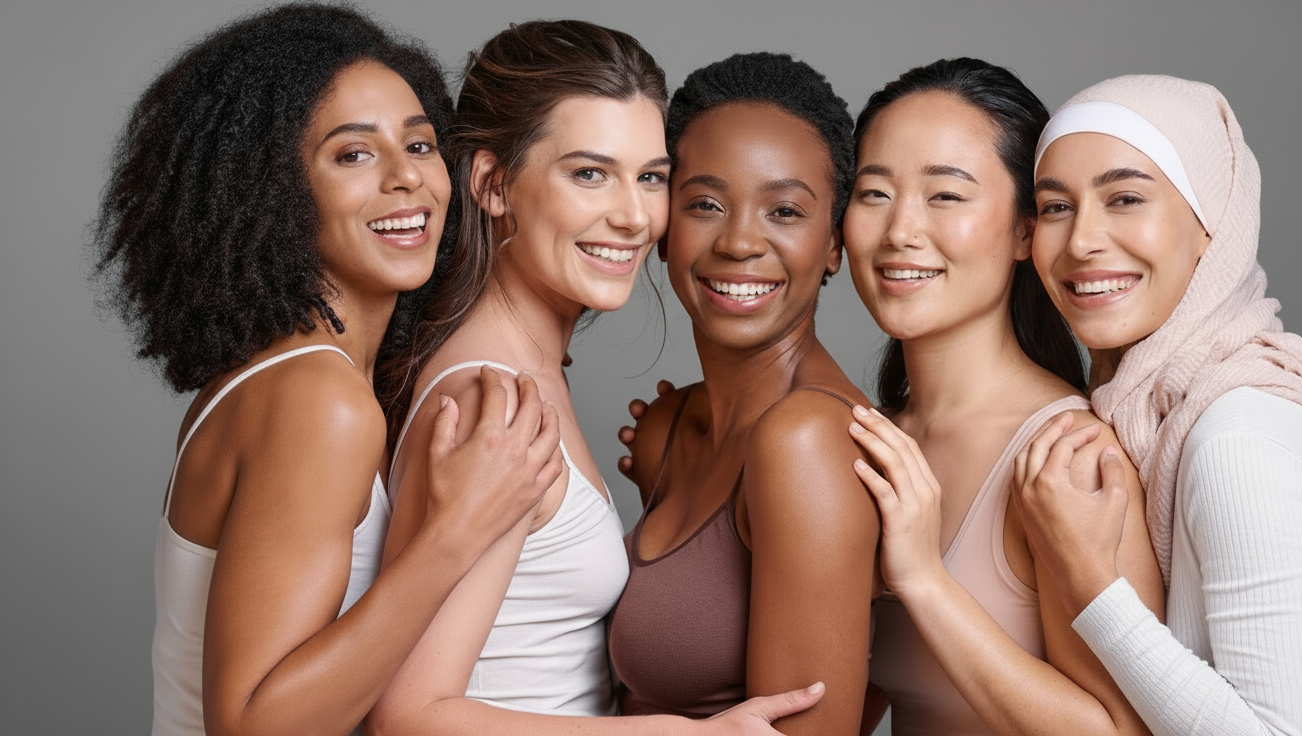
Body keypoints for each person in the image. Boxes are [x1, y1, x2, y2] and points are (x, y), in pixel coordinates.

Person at [90, 6, 562, 735]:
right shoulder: (320, 402)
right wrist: (457, 533)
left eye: (421, 144)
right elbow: (251, 724)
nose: (408, 178)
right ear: (271, 192)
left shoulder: (281, 378)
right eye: (353, 155)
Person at [366, 22, 822, 735]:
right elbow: (410, 715)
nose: (633, 216)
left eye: (650, 178)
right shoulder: (495, 404)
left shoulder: (523, 372)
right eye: (589, 173)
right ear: (492, 184)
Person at [1013, 74, 1302, 735]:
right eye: (1056, 207)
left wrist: (1084, 577)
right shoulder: (1164, 411)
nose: (1082, 240)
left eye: (1125, 198)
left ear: (1212, 225)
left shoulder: (1239, 440)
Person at [838, 59, 1163, 736]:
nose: (900, 230)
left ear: (1025, 230)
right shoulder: (874, 440)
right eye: (874, 194)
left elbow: (1124, 731)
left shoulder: (1069, 457)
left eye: (945, 196)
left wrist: (924, 580)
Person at [607, 53, 880, 735]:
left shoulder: (810, 443)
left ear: (833, 246)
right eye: (704, 204)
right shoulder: (668, 430)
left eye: (784, 210)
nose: (738, 241)